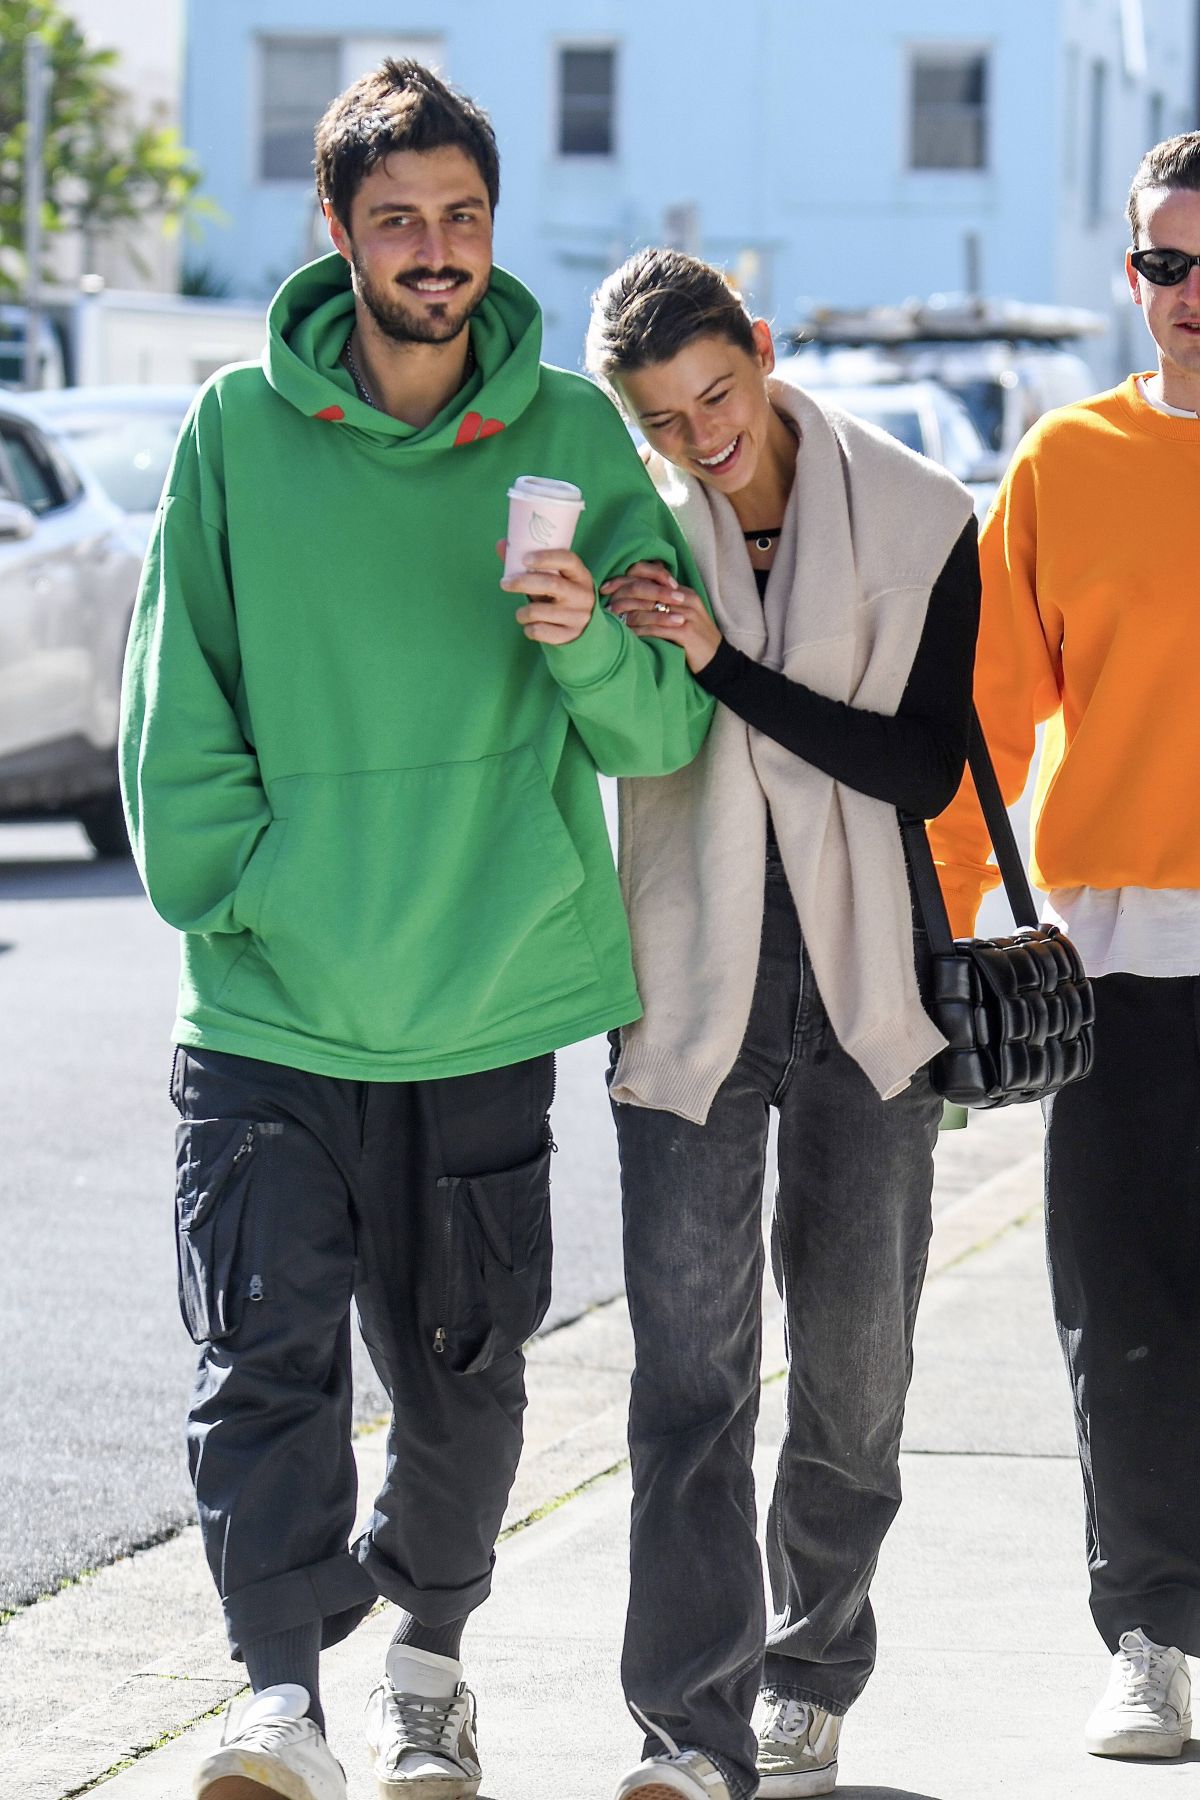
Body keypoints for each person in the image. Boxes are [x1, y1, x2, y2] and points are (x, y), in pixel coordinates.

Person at [120, 61, 712, 1800]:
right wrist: (266, 900)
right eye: (399, 220)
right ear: (339, 232)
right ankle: (278, 1699)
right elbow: (178, 731)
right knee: (259, 1362)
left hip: (480, 1003)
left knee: (465, 1380)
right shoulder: (235, 433)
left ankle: (428, 1667)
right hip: (269, 1015)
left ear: (490, 229)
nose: (435, 250)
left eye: (460, 218)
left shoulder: (571, 440)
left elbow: (657, 732)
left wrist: (583, 639)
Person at [584, 250, 981, 1800]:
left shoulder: (920, 513)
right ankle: (688, 1724)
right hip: (686, 972)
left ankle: (813, 1671)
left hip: (865, 982)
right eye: (667, 423)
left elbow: (919, 773)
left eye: (718, 396)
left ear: (762, 349)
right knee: (689, 1368)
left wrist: (721, 664)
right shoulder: (635, 518)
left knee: (857, 1365)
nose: (702, 441)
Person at [929, 132, 1200, 1762]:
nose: (1191, 297)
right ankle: (1156, 1636)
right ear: (1132, 277)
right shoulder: (1066, 465)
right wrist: (942, 922)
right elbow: (974, 721)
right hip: (1116, 969)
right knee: (1127, 1312)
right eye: (1166, 264)